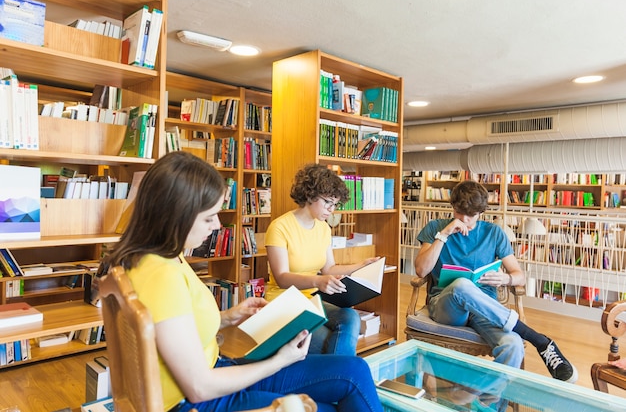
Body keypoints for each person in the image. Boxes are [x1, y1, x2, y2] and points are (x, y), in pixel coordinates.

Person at [97, 152, 383, 412]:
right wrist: (278, 361)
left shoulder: (160, 258)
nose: (218, 226)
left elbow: (176, 327)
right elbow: (199, 387)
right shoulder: (162, 275)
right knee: (338, 395)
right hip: (206, 397)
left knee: (354, 371)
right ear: (177, 216)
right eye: (209, 217)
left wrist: (226, 317)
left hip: (215, 372)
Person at [414, 180, 578, 384]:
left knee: (513, 346)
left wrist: (506, 278)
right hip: (446, 307)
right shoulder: (436, 228)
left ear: (481, 212)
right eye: (459, 213)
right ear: (453, 207)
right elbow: (421, 270)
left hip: (484, 310)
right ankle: (538, 339)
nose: (464, 219)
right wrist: (444, 235)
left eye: (471, 215)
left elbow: (519, 275)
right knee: (462, 286)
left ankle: (481, 401)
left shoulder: (494, 233)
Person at [265, 163, 379, 355]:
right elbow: (282, 278)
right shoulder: (279, 227)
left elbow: (329, 269)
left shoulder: (323, 228)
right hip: (283, 301)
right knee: (328, 342)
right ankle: (340, 375)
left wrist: (360, 266)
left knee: (350, 317)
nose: (331, 210)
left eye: (335, 204)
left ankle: (338, 376)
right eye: (328, 202)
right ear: (310, 195)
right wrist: (318, 281)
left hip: (313, 299)